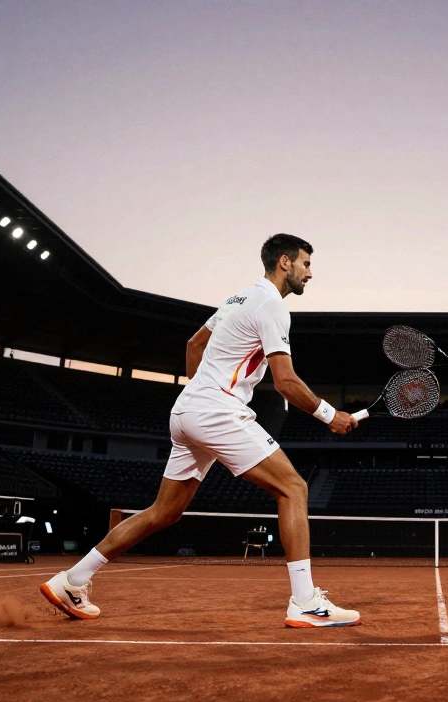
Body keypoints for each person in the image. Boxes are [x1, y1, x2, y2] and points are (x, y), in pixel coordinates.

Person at [40, 234, 362, 627]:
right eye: (306, 264)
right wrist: (330, 415)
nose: (310, 273)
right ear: (284, 262)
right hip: (215, 411)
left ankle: (72, 580)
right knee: (293, 488)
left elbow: (194, 345)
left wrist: (199, 392)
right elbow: (285, 382)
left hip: (188, 410)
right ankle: (305, 602)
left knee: (164, 512)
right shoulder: (272, 307)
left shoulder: (237, 299)